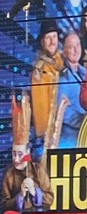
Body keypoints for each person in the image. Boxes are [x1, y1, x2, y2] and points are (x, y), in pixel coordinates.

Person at [26, 22, 60, 157]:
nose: (52, 41)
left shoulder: (62, 61)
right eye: (48, 38)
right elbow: (40, 110)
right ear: (42, 42)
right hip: (51, 136)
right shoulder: (40, 71)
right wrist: (48, 137)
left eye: (54, 37)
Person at [53, 31, 86, 149]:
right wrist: (84, 121)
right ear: (64, 52)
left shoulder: (85, 73)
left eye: (78, 45)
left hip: (84, 138)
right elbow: (62, 109)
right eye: (71, 47)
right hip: (70, 142)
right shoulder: (63, 78)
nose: (76, 50)